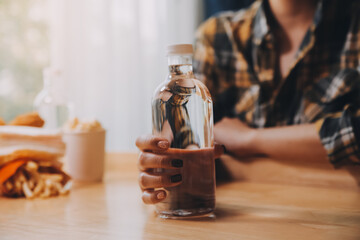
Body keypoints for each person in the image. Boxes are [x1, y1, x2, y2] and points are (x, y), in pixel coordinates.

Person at [136, 0, 360, 204]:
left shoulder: (353, 28)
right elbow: (187, 137)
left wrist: (249, 139)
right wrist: (162, 163)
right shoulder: (218, 36)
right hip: (239, 213)